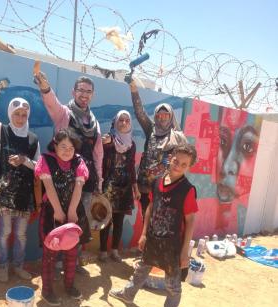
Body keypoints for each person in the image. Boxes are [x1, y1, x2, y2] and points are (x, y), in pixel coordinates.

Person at [109, 143, 198, 307]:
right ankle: (128, 293)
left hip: (173, 246)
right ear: (170, 158)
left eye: (184, 164)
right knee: (142, 268)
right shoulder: (157, 182)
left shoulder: (187, 190)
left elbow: (190, 221)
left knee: (172, 285)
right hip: (153, 239)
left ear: (188, 167)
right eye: (176, 161)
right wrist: (143, 233)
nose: (178, 166)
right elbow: (150, 207)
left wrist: (185, 252)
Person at [34, 71, 103, 272]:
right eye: (81, 90)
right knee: (58, 219)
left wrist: (99, 180)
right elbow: (51, 103)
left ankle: (74, 260)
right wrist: (45, 87)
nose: (84, 94)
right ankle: (55, 262)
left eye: (88, 91)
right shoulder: (64, 113)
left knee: (79, 221)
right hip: (62, 179)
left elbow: (98, 153)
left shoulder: (94, 122)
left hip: (85, 179)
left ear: (92, 95)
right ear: (73, 91)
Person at [0, 83, 40, 283]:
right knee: (4, 232)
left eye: (24, 114)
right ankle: (3, 266)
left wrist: (24, 160)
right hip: (4, 193)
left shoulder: (33, 139)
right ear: (10, 114)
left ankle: (18, 266)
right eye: (17, 114)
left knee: (21, 235)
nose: (20, 118)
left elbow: (38, 167)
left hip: (24, 194)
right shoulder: (2, 131)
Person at [35, 129, 91, 306]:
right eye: (63, 146)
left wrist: (72, 212)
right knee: (50, 253)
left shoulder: (79, 162)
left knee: (71, 252)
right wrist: (58, 212)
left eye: (71, 147)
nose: (67, 151)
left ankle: (69, 285)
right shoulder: (46, 160)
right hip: (52, 212)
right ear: (55, 145)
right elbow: (49, 187)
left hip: (73, 211)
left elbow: (78, 187)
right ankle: (47, 290)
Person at [127, 78, 186, 218]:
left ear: (171, 116)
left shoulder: (177, 137)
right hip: (145, 186)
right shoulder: (151, 129)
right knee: (146, 218)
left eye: (166, 114)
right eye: (159, 114)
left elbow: (184, 160)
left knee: (160, 220)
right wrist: (134, 91)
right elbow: (140, 112)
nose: (162, 118)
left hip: (165, 187)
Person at [99, 110, 140, 262]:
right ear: (115, 123)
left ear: (130, 124)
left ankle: (114, 251)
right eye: (120, 120)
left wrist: (135, 187)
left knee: (119, 221)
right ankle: (103, 251)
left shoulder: (132, 145)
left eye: (127, 121)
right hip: (108, 187)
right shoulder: (108, 141)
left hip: (124, 188)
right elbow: (100, 162)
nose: (123, 123)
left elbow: (131, 166)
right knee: (105, 219)